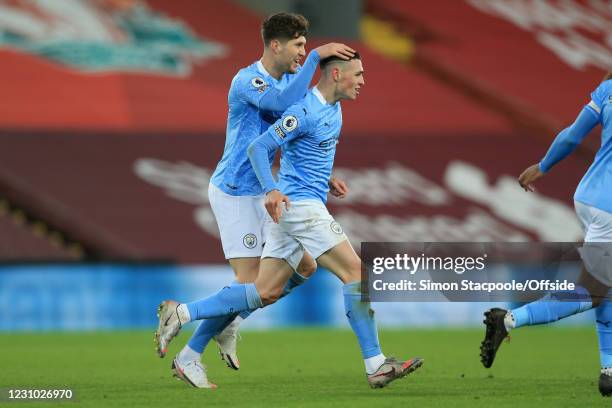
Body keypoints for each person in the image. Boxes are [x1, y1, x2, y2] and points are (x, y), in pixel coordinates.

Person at [155, 51, 424, 390]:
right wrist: (270, 189)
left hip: (298, 207)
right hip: (301, 210)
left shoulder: (334, 109)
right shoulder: (304, 110)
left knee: (265, 290)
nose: (363, 81)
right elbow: (257, 147)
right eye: (358, 74)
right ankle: (376, 364)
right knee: (356, 273)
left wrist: (327, 178)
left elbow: (302, 153)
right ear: (337, 74)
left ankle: (183, 314)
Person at [154, 12, 354, 388]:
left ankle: (229, 321)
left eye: (306, 45)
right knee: (251, 283)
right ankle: (187, 349)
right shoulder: (247, 81)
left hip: (269, 190)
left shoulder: (293, 79)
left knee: (305, 267)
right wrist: (316, 61)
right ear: (275, 45)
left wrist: (322, 176)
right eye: (297, 45)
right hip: (235, 192)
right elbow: (282, 102)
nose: (303, 52)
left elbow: (292, 133)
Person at [480, 71, 612, 396]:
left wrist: (543, 165)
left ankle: (609, 370)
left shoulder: (609, 88)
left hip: (589, 196)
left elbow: (571, 137)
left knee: (606, 287)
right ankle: (508, 319)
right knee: (593, 290)